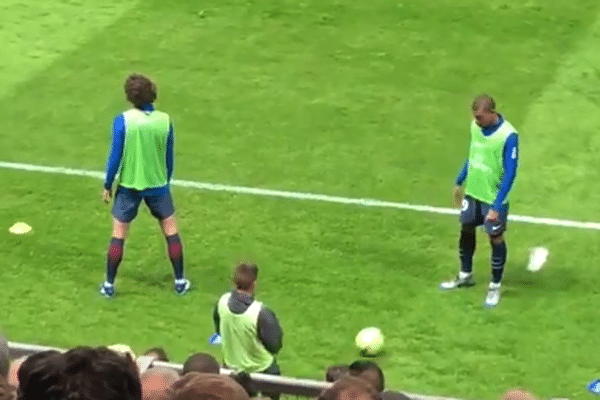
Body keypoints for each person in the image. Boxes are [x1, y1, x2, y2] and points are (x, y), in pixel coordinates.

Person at [100, 73, 190, 298]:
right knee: (170, 230)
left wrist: (108, 184)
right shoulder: (164, 120)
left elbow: (115, 157)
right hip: (158, 186)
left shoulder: (123, 121)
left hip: (129, 185)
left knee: (119, 233)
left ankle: (109, 285)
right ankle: (180, 281)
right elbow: (169, 157)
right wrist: (165, 179)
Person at [440, 94, 519, 308]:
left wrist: (496, 206)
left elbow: (511, 173)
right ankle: (465, 275)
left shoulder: (508, 136)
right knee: (466, 228)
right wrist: (459, 180)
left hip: (493, 198)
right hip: (473, 192)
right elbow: (472, 154)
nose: (477, 121)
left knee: (495, 238)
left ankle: (495, 286)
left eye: (480, 117)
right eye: (475, 117)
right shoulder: (475, 127)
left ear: (492, 113)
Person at [212, 263, 283, 400]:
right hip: (262, 370)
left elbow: (218, 329)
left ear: (234, 282)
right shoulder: (260, 313)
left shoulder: (222, 302)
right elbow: (275, 345)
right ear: (254, 283)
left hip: (230, 367)